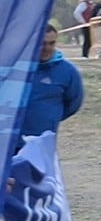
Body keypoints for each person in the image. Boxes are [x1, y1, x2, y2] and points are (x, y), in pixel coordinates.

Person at [17, 23, 84, 155]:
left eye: (51, 43)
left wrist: (52, 115)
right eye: (42, 43)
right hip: (9, 140)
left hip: (42, 142)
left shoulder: (68, 71)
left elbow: (74, 102)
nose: (46, 48)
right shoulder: (16, 68)